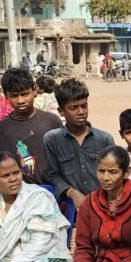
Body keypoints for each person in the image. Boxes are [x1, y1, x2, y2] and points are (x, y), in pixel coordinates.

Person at [42, 78, 114, 209]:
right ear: (61, 111)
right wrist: (71, 192)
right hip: (71, 209)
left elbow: (114, 174)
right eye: (73, 108)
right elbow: (52, 175)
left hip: (103, 207)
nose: (81, 112)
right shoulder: (52, 139)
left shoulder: (104, 139)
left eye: (84, 106)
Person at [0, 68, 63, 185]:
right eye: (14, 96)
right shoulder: (0, 130)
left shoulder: (52, 121)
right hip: (18, 191)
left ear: (34, 90)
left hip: (53, 188)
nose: (20, 100)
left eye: (25, 94)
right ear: (5, 95)